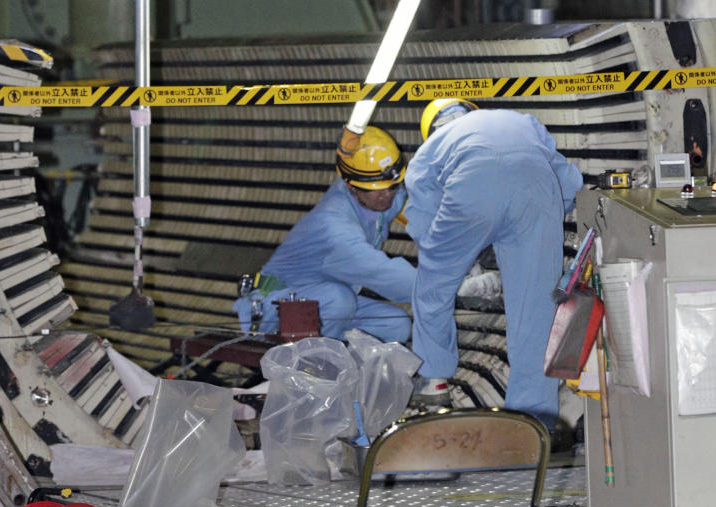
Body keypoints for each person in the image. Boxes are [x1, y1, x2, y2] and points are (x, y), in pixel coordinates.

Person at [403, 98, 583, 427]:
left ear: (430, 128)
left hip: (473, 187)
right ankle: (533, 418)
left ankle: (434, 380)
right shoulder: (521, 121)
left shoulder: (430, 150)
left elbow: (424, 224)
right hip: (537, 193)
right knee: (535, 312)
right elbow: (569, 182)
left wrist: (456, 263)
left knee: (432, 289)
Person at [233, 126, 416, 343]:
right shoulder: (333, 225)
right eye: (378, 188)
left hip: (324, 304)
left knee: (396, 324)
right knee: (340, 300)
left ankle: (351, 370)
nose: (387, 195)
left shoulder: (374, 196)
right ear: (351, 185)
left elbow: (422, 216)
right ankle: (314, 371)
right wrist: (443, 283)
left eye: (393, 186)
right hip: (274, 311)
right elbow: (382, 273)